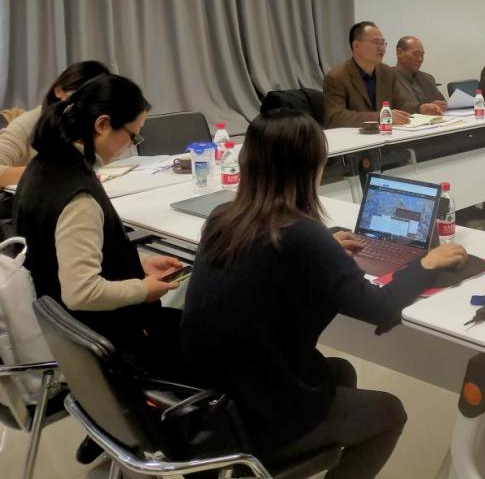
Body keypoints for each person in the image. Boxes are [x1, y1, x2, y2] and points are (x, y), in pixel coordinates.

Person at [180, 109, 468, 479]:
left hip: (209, 397)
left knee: (340, 371)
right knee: (390, 413)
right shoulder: (302, 235)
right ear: (311, 167)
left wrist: (326, 246)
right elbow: (379, 307)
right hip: (253, 415)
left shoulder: (223, 217)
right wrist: (425, 265)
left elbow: (276, 259)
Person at [14, 74, 183, 376]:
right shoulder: (78, 197)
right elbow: (81, 292)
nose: (130, 146)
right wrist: (142, 289)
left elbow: (63, 252)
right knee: (216, 337)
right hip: (105, 343)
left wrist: (136, 262)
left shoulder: (42, 166)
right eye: (132, 136)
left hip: (67, 331)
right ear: (102, 124)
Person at [0, 60, 110, 186]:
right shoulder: (29, 123)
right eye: (80, 97)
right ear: (58, 91)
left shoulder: (95, 124)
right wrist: (52, 171)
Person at [323, 22, 444, 128]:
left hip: (387, 136)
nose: (381, 48)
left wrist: (420, 108)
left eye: (383, 43)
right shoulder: (337, 77)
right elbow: (334, 117)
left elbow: (400, 103)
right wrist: (381, 117)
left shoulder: (386, 72)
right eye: (376, 42)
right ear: (356, 45)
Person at [393, 36, 446, 111]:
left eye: (422, 55)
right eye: (416, 54)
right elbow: (394, 107)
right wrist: (420, 108)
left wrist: (442, 105)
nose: (420, 59)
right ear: (399, 53)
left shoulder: (427, 78)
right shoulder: (388, 78)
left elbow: (442, 102)